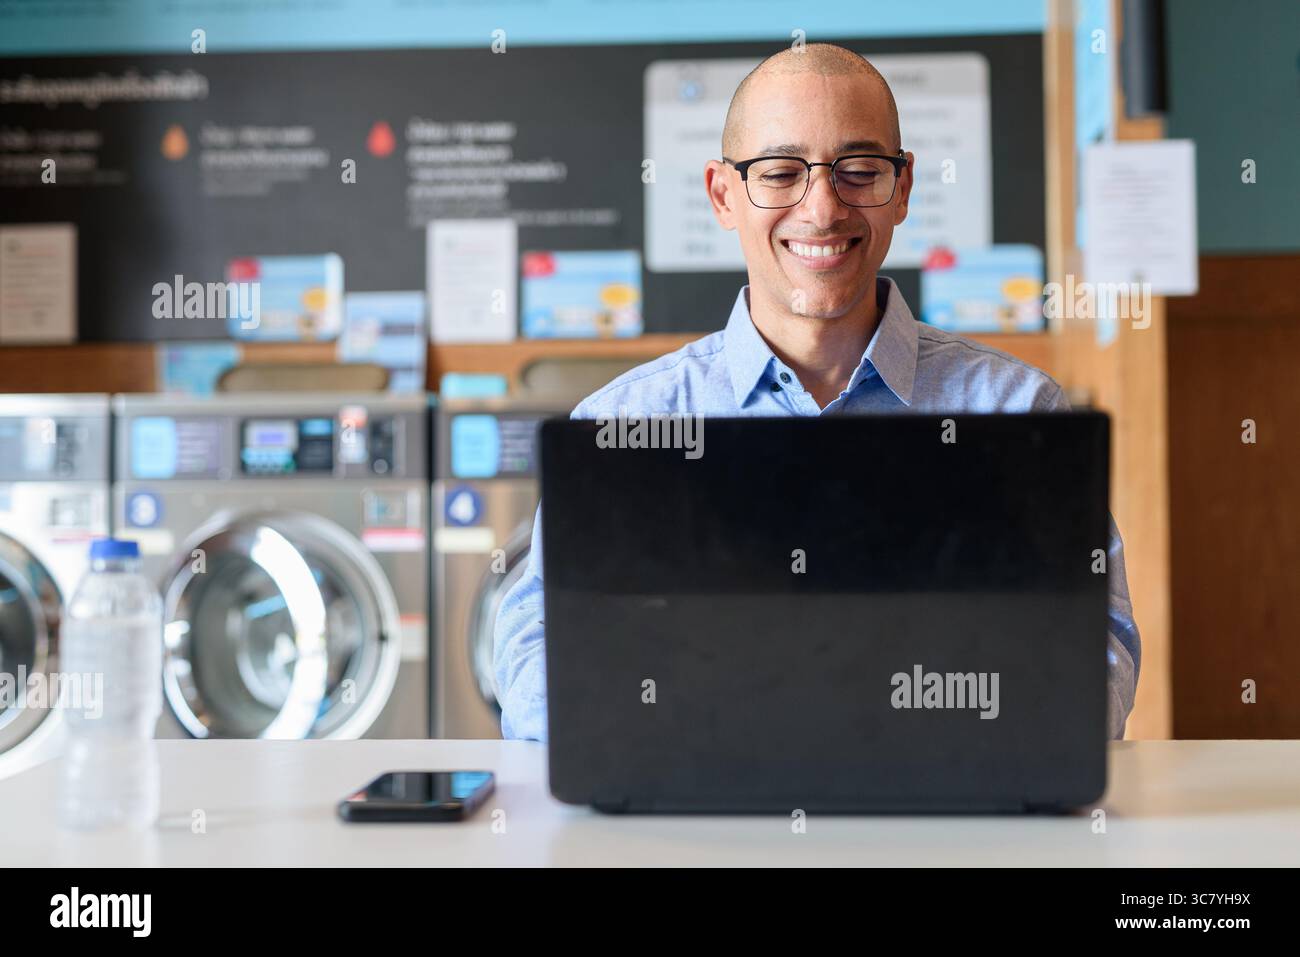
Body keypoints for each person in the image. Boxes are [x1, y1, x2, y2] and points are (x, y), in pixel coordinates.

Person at [495, 43, 1140, 742]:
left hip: (949, 822)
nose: (823, 208)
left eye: (860, 171)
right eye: (779, 173)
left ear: (903, 187)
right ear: (722, 195)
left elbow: (1096, 658)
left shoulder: (1016, 414)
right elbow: (532, 654)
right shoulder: (625, 423)